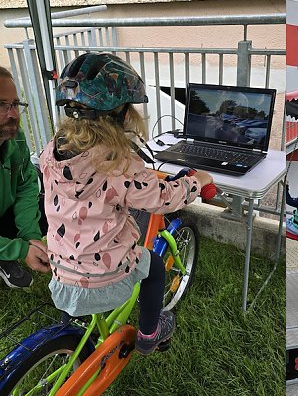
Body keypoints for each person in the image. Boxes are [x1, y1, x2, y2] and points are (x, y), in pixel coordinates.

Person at [43, 52, 213, 355]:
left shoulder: (52, 152)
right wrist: (196, 182)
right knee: (156, 267)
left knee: (76, 268)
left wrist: (140, 173)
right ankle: (149, 335)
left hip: (61, 269)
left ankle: (68, 328)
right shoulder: (119, 164)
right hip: (104, 278)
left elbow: (100, 181)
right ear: (119, 114)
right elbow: (161, 198)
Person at [0, 66, 49, 289]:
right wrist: (19, 250)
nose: (13, 114)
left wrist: (30, 237)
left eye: (15, 105)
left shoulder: (15, 138)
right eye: (1, 105)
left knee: (47, 206)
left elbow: (26, 185)